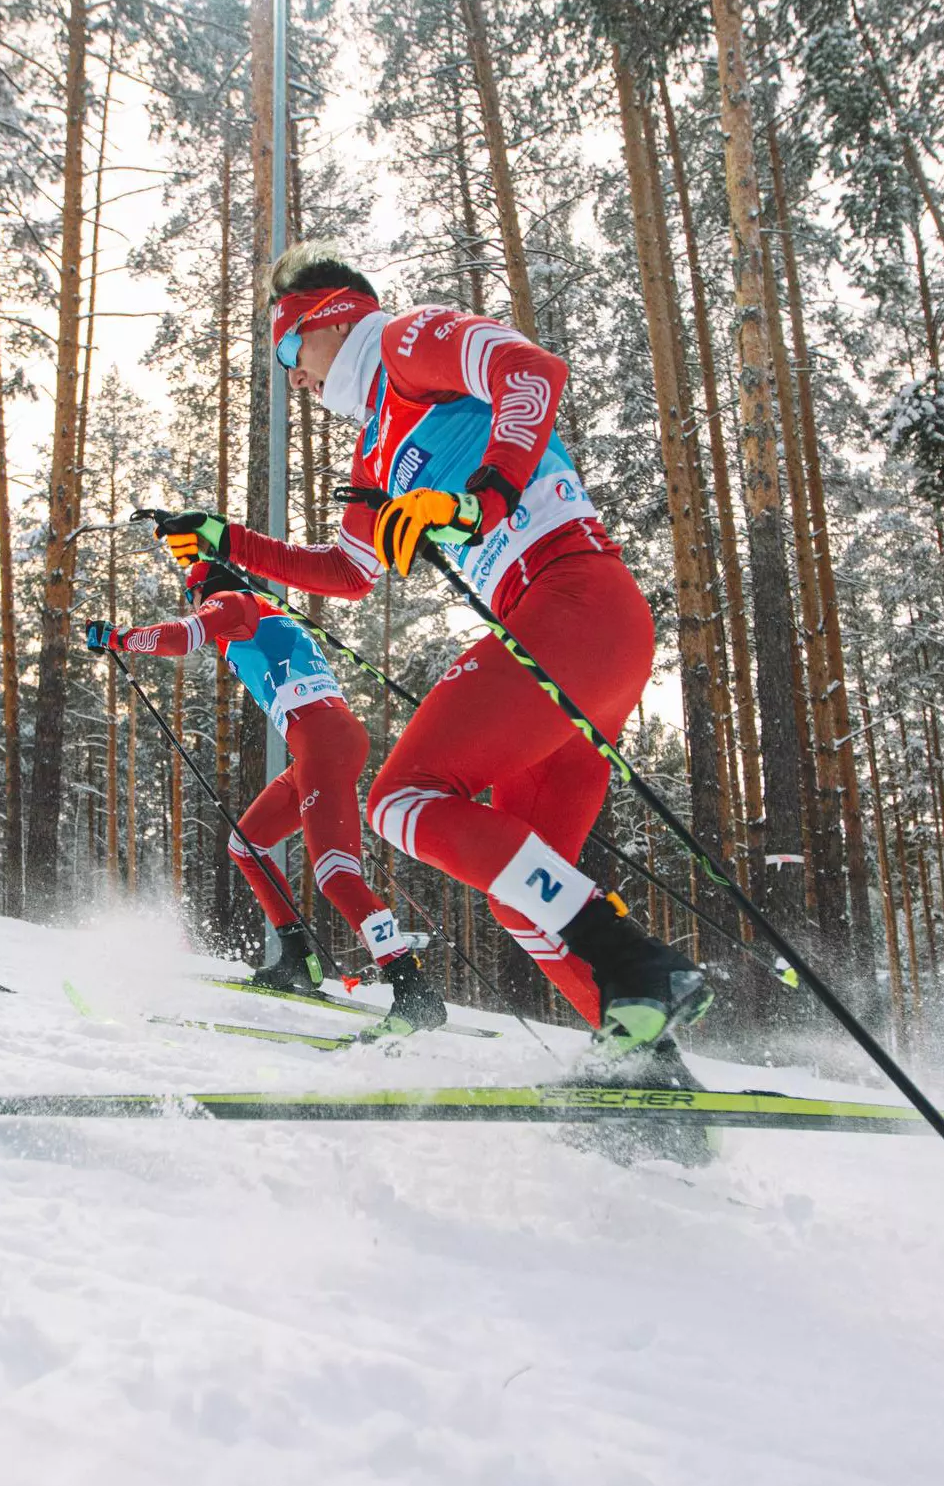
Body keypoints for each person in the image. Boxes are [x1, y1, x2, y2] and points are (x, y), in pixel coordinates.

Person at [148, 242, 707, 1081]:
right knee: (522, 894)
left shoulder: (407, 344)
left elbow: (532, 372)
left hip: (573, 597)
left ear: (332, 317)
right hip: (565, 629)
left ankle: (636, 960)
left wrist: (485, 492)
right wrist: (232, 543)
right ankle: (646, 1065)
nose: (292, 379)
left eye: (290, 352)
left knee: (401, 799)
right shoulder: (374, 451)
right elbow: (349, 573)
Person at [85, 559, 442, 1034]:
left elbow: (180, 638)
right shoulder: (261, 612)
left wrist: (118, 638)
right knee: (247, 843)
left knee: (336, 875)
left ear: (203, 590)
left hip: (321, 739)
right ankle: (297, 956)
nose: (196, 607)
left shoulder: (232, 603)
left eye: (194, 598)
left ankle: (411, 987)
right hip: (318, 742)